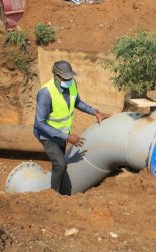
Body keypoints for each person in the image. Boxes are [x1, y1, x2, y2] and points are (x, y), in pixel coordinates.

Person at [34, 60, 111, 194]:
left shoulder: (71, 85)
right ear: (56, 76)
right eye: (65, 78)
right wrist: (67, 137)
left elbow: (77, 102)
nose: (69, 80)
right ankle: (53, 196)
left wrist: (95, 112)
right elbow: (39, 123)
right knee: (60, 164)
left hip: (62, 133)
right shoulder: (46, 93)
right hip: (47, 135)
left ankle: (61, 191)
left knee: (59, 165)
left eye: (70, 77)